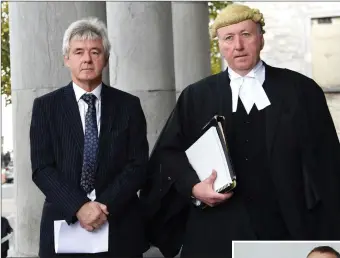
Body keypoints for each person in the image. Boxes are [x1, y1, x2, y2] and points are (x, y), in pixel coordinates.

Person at [139, 3, 340, 258]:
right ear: (220, 45)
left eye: (246, 35)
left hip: (287, 228)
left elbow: (329, 165)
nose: (238, 46)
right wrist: (193, 187)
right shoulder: (197, 96)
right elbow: (169, 154)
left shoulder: (301, 91)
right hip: (215, 230)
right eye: (228, 38)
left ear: (261, 38)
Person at [30, 17, 149, 258]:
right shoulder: (46, 107)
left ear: (105, 59)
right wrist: (79, 207)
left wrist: (102, 207)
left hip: (119, 224)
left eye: (95, 51)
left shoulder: (129, 106)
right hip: (64, 222)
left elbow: (138, 165)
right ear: (67, 59)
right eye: (78, 52)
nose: (87, 59)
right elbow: (42, 168)